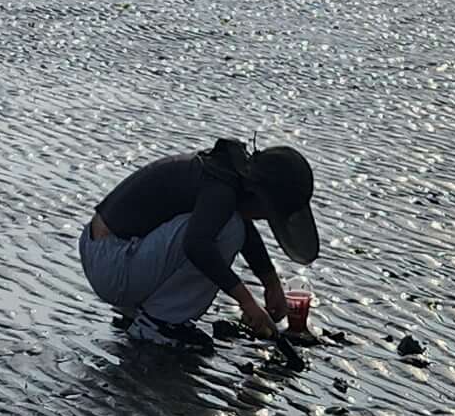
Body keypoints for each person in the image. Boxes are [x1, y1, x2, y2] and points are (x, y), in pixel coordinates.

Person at [81, 138, 323, 353]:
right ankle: (158, 324)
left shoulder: (224, 175)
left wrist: (271, 282)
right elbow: (197, 245)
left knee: (229, 225)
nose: (266, 218)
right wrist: (247, 302)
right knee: (224, 230)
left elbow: (243, 226)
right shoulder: (220, 190)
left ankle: (143, 313)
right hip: (111, 265)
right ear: (259, 195)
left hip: (108, 253)